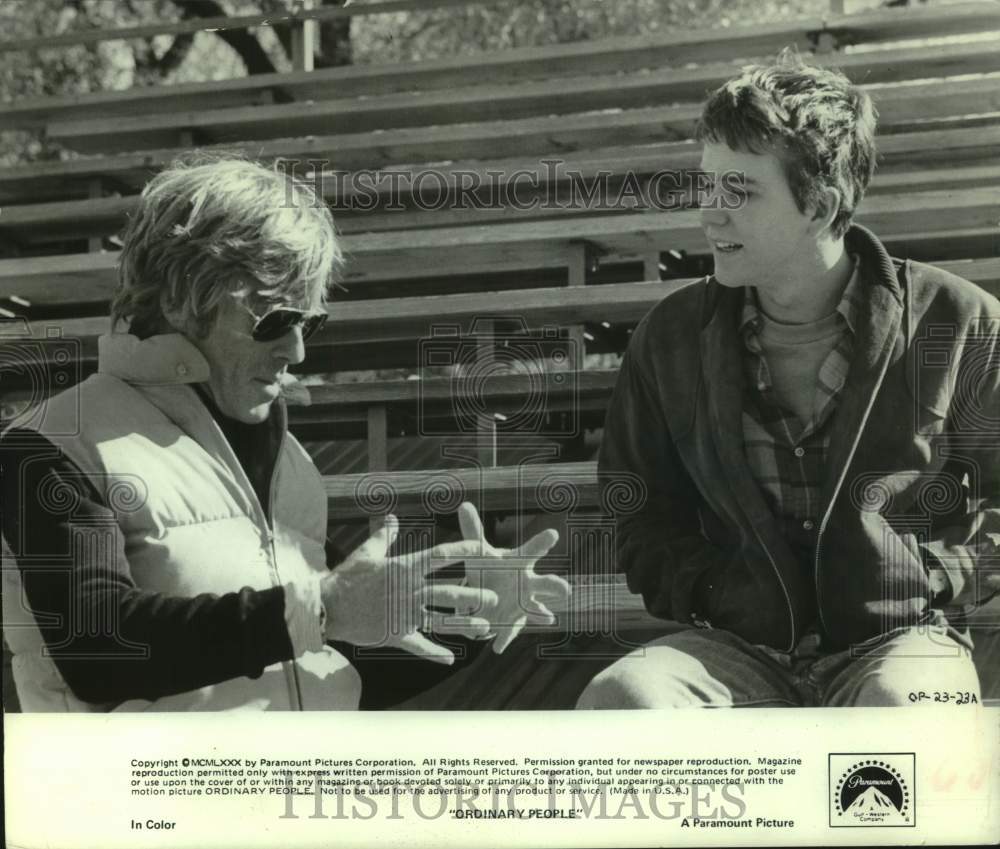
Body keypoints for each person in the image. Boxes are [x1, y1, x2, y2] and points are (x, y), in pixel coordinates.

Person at [0, 156, 568, 712]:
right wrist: (318, 611)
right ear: (178, 299)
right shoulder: (50, 443)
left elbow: (332, 668)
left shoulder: (289, 459)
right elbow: (99, 651)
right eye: (274, 319)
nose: (296, 351)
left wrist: (475, 612)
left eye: (307, 323)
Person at [577, 52, 999, 708]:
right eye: (707, 185)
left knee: (906, 710)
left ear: (820, 206)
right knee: (624, 699)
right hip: (736, 648)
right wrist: (713, 592)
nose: (709, 214)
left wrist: (934, 577)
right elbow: (638, 510)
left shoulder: (960, 320)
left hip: (902, 640)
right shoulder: (670, 336)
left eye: (740, 191)